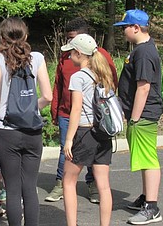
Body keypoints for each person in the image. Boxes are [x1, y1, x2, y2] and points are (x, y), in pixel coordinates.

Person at [0, 17, 52, 226]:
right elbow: (48, 97)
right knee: (30, 188)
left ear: (2, 37)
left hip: (7, 130)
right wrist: (31, 109)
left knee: (13, 188)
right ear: (25, 35)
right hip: (32, 129)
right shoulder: (38, 58)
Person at [46, 17, 118, 203]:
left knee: (91, 154)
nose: (69, 43)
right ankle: (60, 183)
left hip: (90, 119)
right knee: (66, 151)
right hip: (66, 113)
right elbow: (58, 85)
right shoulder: (65, 57)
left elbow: (111, 85)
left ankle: (92, 183)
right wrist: (56, 111)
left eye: (72, 38)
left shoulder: (101, 56)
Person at [114, 9, 163, 225]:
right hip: (141, 114)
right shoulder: (142, 49)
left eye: (125, 27)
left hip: (143, 115)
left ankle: (152, 207)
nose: (123, 31)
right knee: (144, 158)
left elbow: (143, 88)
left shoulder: (143, 52)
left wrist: (133, 117)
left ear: (136, 28)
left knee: (149, 159)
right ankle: (145, 198)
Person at [61, 34, 113, 226]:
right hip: (103, 133)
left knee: (68, 180)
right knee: (104, 186)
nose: (68, 57)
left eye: (71, 53)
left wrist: (68, 139)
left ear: (79, 53)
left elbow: (75, 110)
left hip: (84, 132)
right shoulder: (103, 74)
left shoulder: (78, 77)